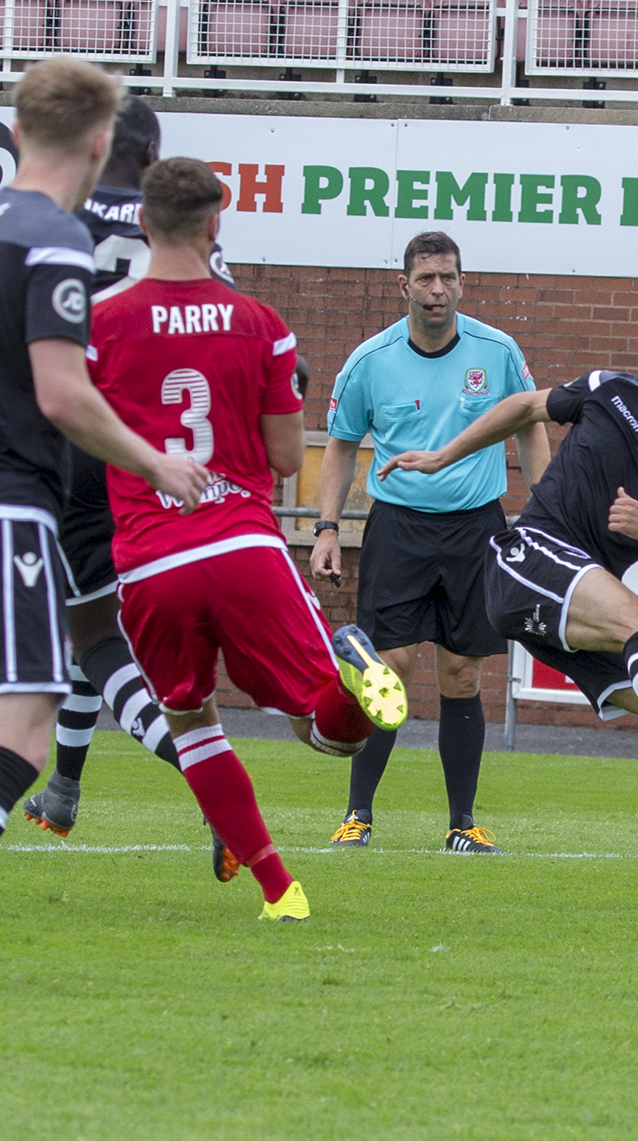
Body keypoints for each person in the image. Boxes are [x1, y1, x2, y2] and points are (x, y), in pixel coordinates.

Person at [88, 155, 409, 919]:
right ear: (215, 224)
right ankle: (354, 668)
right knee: (331, 734)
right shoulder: (260, 324)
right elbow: (287, 457)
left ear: (141, 222)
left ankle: (279, 889)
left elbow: (79, 422)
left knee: (191, 715)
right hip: (241, 544)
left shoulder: (100, 323)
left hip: (151, 559)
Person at [378, 327, 638, 916]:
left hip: (572, 605)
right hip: (526, 563)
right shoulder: (610, 392)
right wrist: (446, 456)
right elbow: (526, 407)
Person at [19, 96, 248, 840]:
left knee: (84, 635)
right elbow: (230, 321)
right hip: (155, 456)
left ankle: (202, 773)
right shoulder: (177, 231)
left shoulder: (51, 222)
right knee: (91, 627)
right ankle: (63, 790)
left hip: (59, 444)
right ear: (151, 159)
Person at [310, 231, 547, 854]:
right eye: (425, 279)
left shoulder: (497, 351)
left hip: (476, 528)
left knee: (462, 674)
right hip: (398, 529)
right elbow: (339, 445)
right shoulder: (371, 359)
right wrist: (329, 528)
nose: (437, 290)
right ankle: (358, 816)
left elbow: (531, 425)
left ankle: (461, 826)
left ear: (461, 283)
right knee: (389, 671)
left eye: (447, 278)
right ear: (404, 285)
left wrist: (545, 516)